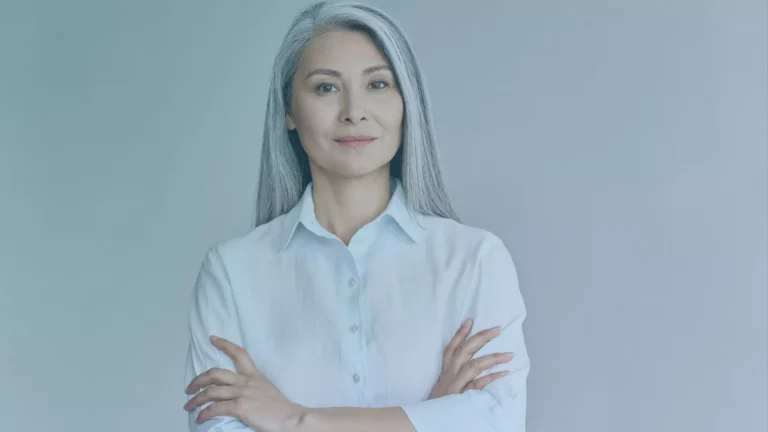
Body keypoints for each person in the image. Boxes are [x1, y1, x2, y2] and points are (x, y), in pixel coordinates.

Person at [182, 1, 530, 431]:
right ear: (289, 110)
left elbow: (498, 421)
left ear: (407, 103)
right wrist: (427, 418)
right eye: (326, 88)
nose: (354, 111)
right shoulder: (232, 273)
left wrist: (295, 419)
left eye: (378, 84)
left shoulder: (474, 261)